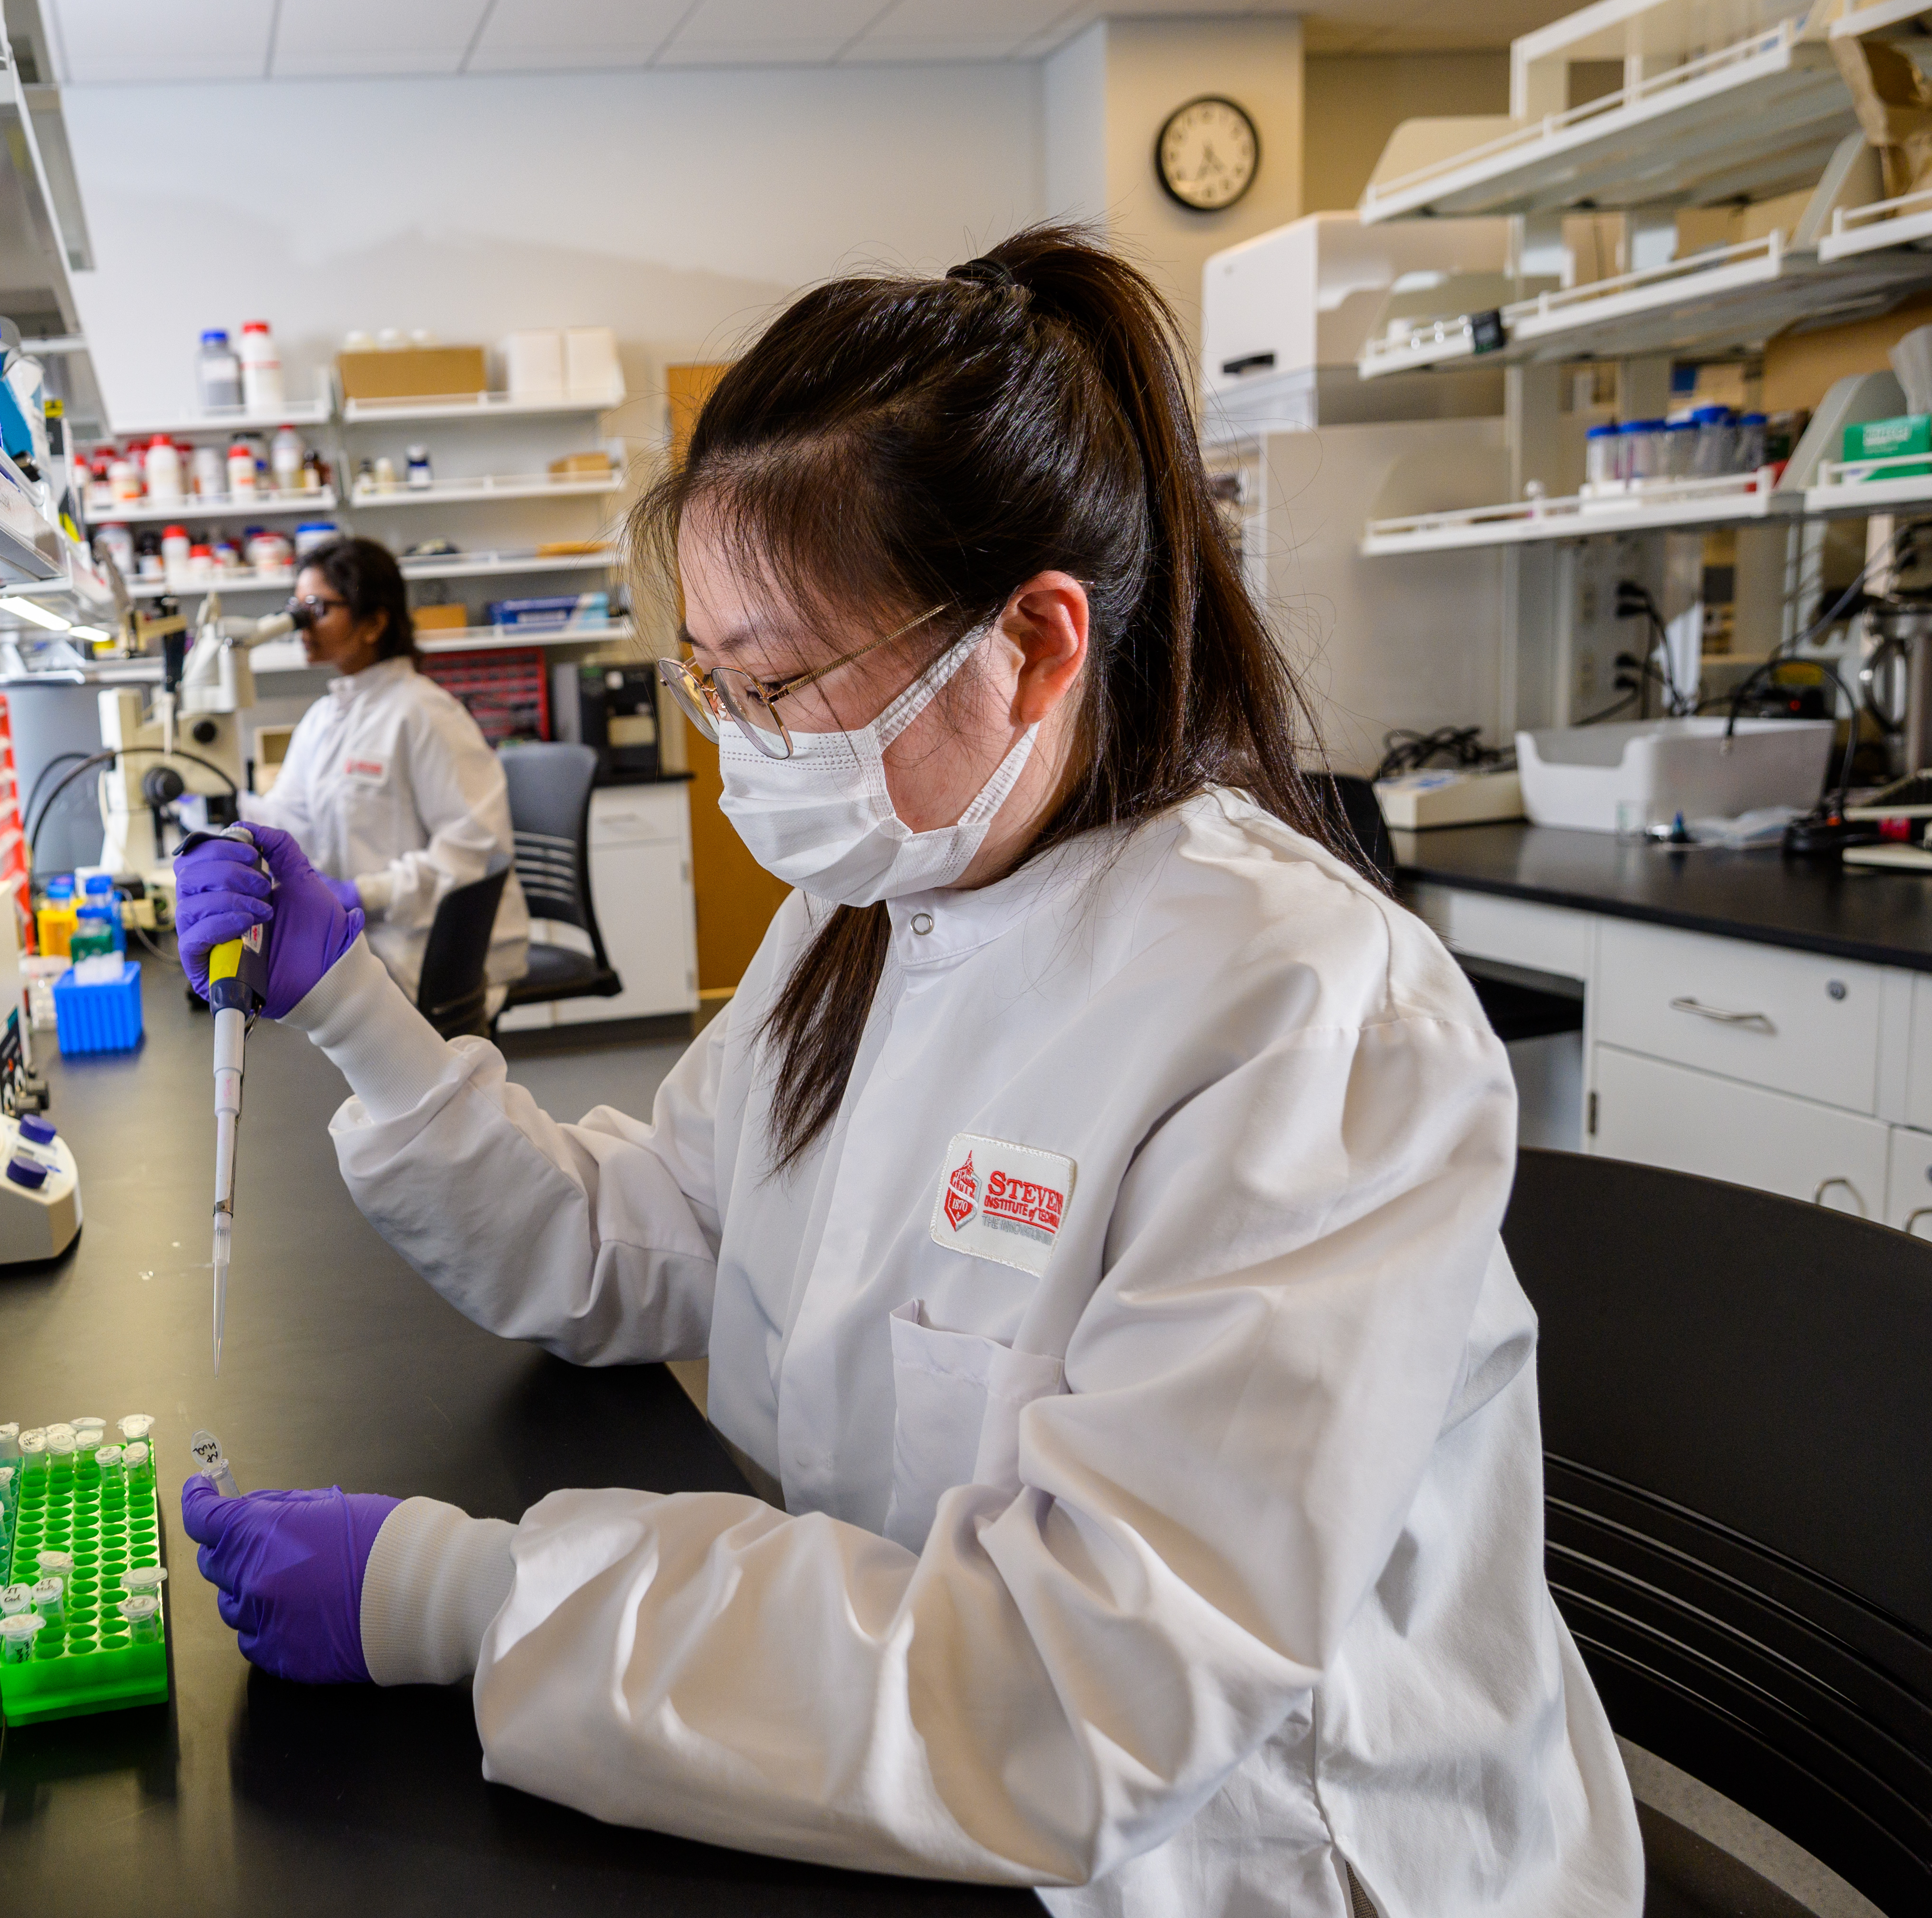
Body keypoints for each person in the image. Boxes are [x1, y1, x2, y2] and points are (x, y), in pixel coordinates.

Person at [170, 227, 1641, 1917]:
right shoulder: (863, 912)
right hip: (915, 1787)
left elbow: (1081, 1694)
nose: (741, 741)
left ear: (1031, 638)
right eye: (711, 681)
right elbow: (639, 1234)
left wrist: (479, 1597)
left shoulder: (1297, 1020)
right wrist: (350, 1007)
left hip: (1253, 1868)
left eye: (781, 679)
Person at [235, 534, 527, 1007]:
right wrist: (223, 815)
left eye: (317, 607)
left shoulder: (425, 713)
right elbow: (288, 822)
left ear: (373, 623)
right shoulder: (322, 719)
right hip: (354, 946)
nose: (300, 623)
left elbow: (473, 851)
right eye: (296, 606)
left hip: (418, 953)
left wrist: (362, 892)